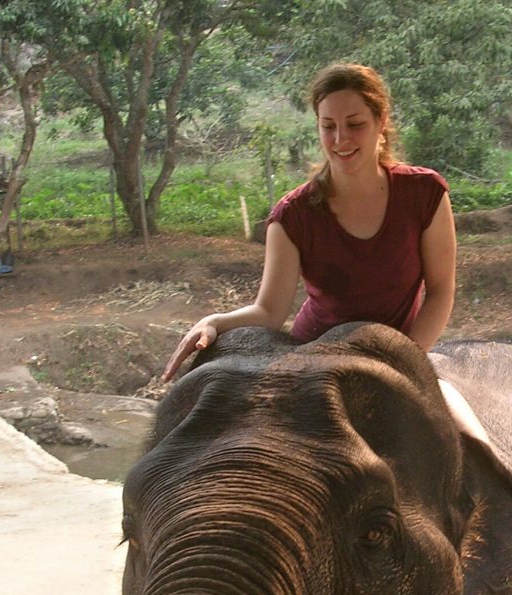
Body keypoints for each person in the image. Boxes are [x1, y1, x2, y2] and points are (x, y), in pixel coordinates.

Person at [162, 62, 487, 441]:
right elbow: (269, 311)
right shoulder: (293, 216)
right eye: (328, 126)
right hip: (314, 367)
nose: (340, 139)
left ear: (381, 121)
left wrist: (406, 361)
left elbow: (441, 291)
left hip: (400, 358)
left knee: (477, 447)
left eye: (354, 124)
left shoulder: (425, 194)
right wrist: (215, 322)